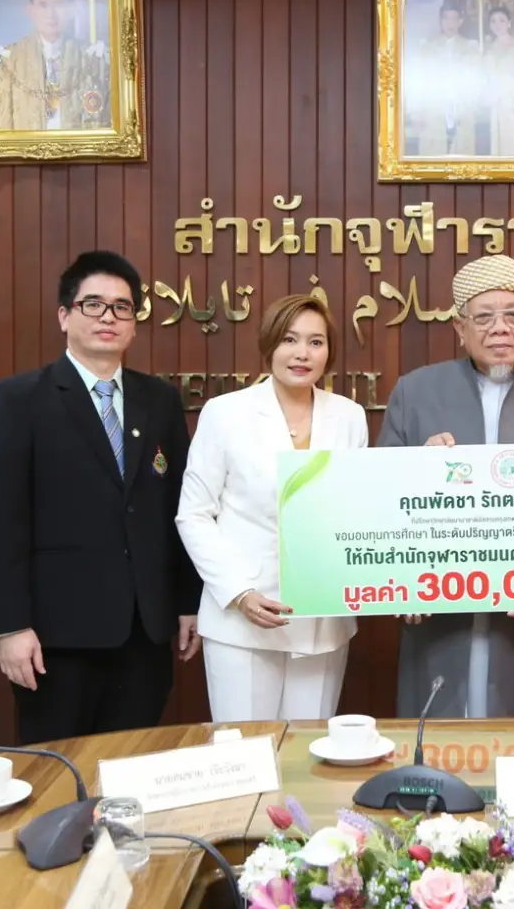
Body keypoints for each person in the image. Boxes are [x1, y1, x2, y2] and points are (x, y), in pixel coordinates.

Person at [0, 250, 198, 745]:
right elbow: (0, 521)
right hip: (56, 636)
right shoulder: (20, 399)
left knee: (131, 765)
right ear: (64, 315)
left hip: (144, 631)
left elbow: (178, 508)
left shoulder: (158, 400)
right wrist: (12, 626)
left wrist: (188, 603)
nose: (108, 317)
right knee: (59, 771)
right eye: (93, 304)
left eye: (122, 307)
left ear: (134, 323)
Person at [378, 254, 514, 718]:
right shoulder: (414, 393)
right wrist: (404, 580)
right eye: (484, 317)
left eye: (513, 316)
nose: (500, 328)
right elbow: (382, 501)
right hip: (438, 613)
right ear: (460, 328)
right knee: (437, 738)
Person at [176, 295, 368, 722]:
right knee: (247, 751)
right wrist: (239, 593)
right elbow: (194, 514)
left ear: (329, 352)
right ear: (269, 345)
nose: (302, 353)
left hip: (322, 619)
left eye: (316, 342)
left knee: (308, 750)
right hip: (242, 618)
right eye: (289, 340)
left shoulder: (350, 416)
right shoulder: (225, 413)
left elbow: (354, 509)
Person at [0, 0, 112, 132]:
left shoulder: (94, 60)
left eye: (59, 5)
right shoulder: (6, 62)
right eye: (43, 5)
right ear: (31, 11)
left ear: (71, 10)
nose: (51, 14)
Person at [405, 0, 482, 157]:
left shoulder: (470, 48)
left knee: (462, 151)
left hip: (462, 108)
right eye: (446, 18)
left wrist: (473, 105)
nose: (450, 23)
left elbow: (478, 81)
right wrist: (415, 110)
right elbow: (418, 78)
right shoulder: (426, 46)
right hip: (433, 107)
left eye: (454, 18)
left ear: (460, 21)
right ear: (440, 21)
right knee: (432, 151)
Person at [481, 3, 514, 157]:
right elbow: (487, 77)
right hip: (495, 101)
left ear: (509, 23)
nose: (498, 25)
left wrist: (501, 90)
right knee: (498, 142)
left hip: (512, 98)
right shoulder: (489, 49)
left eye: (502, 20)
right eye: (493, 21)